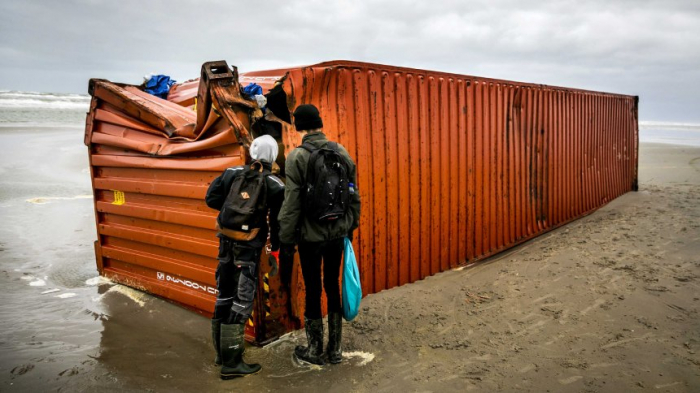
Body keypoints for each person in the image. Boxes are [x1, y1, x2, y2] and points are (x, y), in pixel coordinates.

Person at [277, 104, 361, 365]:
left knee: (313, 289)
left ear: (299, 126)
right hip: (337, 234)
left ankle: (314, 351)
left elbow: (291, 204)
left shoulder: (297, 157)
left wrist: (287, 239)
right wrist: (350, 227)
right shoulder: (341, 151)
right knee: (332, 286)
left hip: (310, 238)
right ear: (320, 123)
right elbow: (353, 194)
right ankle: (335, 350)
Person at [205, 135, 285, 379]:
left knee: (224, 294)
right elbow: (279, 221)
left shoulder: (231, 172)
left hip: (225, 245)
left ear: (252, 151)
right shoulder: (274, 184)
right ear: (272, 156)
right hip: (248, 249)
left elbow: (211, 199)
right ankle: (232, 364)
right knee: (242, 300)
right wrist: (276, 244)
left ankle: (221, 355)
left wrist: (233, 214)